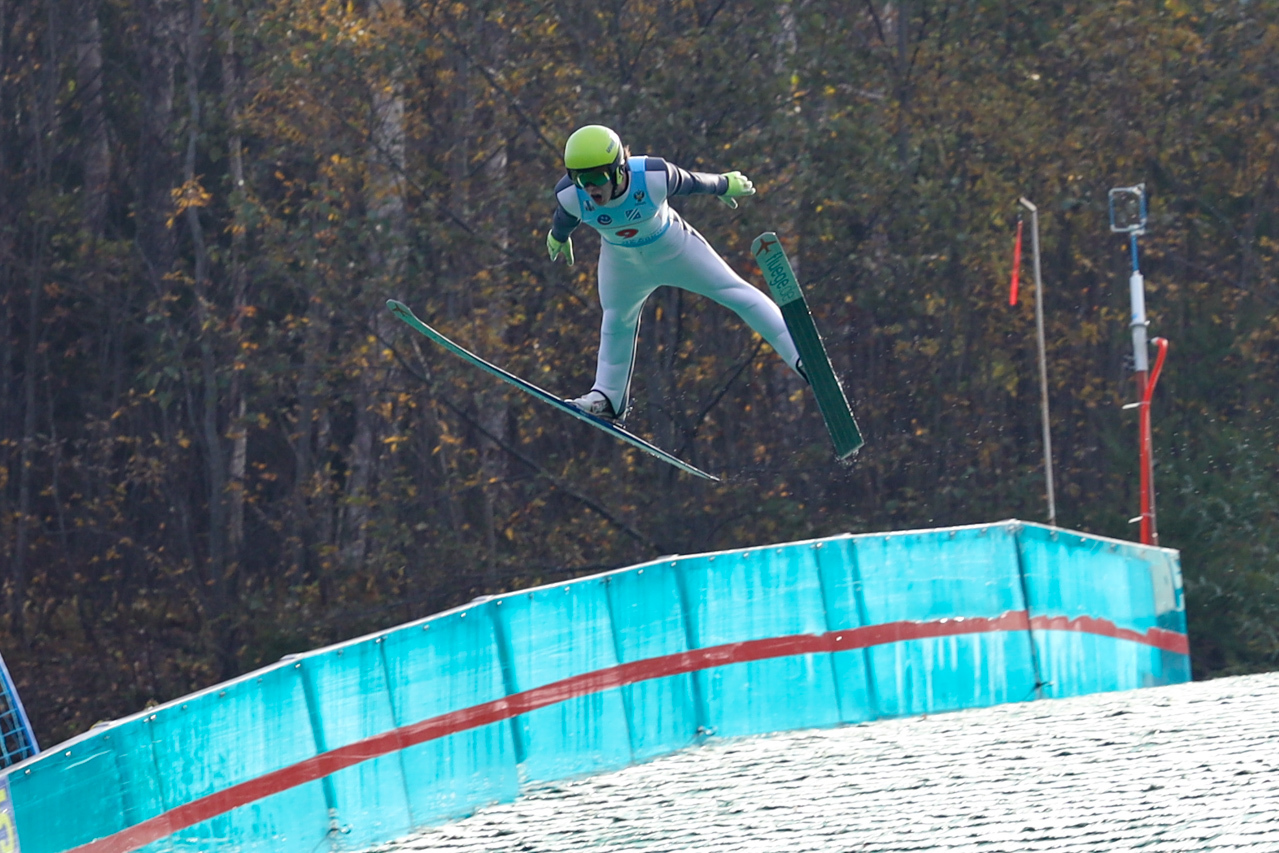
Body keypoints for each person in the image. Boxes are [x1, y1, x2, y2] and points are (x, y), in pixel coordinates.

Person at [546, 124, 804, 422]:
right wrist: (558, 237)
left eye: (597, 178)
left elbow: (694, 182)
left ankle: (801, 356)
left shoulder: (652, 176)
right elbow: (564, 218)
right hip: (622, 262)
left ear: (619, 169)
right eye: (580, 179)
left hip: (674, 249)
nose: (590, 188)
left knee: (735, 293)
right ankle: (607, 398)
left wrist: (724, 184)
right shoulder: (570, 195)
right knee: (616, 320)